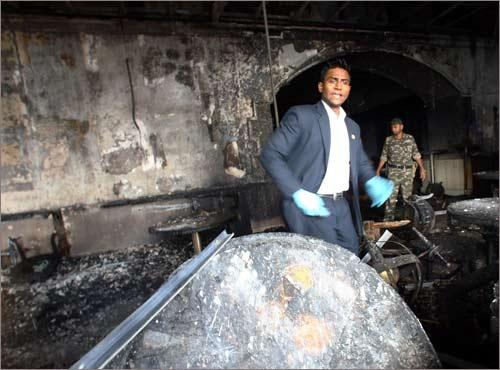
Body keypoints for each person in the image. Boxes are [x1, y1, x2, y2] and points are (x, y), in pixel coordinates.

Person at [260, 59, 393, 255]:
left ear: (349, 88)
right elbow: (270, 154)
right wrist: (297, 192)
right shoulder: (302, 116)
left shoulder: (352, 126)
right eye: (333, 80)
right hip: (312, 206)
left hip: (341, 205)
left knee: (351, 253)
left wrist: (372, 179)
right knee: (326, 262)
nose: (339, 86)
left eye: (344, 82)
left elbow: (360, 161)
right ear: (321, 86)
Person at [375, 117, 426, 221]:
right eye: (392, 127)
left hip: (407, 172)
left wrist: (422, 168)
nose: (393, 129)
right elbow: (384, 156)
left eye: (395, 127)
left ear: (401, 127)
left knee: (407, 198)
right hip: (393, 172)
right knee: (390, 197)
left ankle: (408, 220)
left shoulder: (410, 138)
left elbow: (416, 155)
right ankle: (388, 220)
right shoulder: (388, 140)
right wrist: (378, 170)